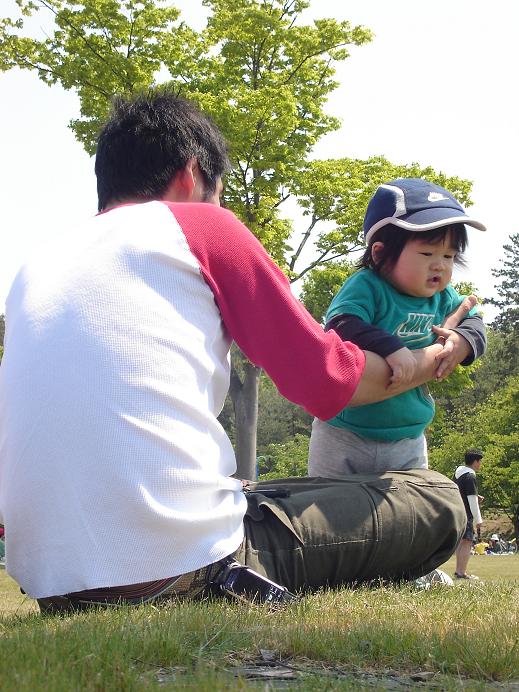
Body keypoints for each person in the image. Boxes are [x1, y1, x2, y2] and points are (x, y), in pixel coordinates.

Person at [0, 91, 467, 613]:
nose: (222, 208)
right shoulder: (201, 226)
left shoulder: (35, 267)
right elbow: (327, 381)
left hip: (53, 584)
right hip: (180, 565)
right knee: (437, 498)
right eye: (219, 193)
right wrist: (431, 359)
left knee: (261, 489)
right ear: (191, 174)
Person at [309, 179, 487, 477]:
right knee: (332, 511)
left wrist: (462, 340)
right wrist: (391, 347)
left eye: (449, 256)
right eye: (427, 254)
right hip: (344, 433)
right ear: (380, 254)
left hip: (408, 436)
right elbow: (341, 325)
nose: (440, 266)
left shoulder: (443, 297)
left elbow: (473, 319)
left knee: (408, 514)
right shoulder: (367, 285)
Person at [453, 448, 484, 579]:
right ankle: (461, 572)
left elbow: (460, 491)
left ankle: (459, 571)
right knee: (467, 542)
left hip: (457, 511)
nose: (480, 464)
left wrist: (476, 496)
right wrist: (478, 520)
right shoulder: (470, 476)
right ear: (475, 461)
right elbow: (472, 500)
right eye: (480, 461)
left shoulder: (459, 473)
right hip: (466, 514)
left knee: (462, 542)